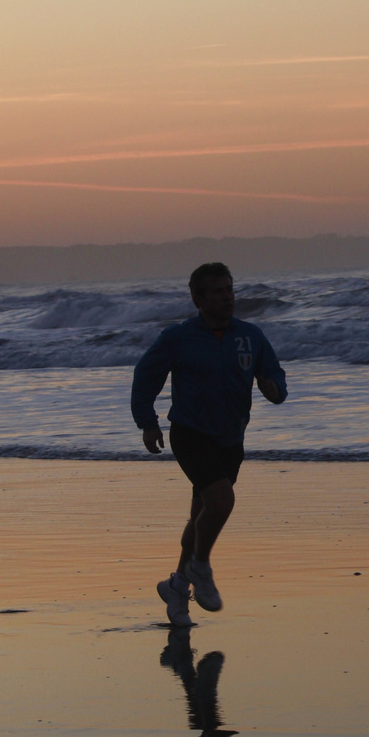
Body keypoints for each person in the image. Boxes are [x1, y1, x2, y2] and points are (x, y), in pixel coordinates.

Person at [131, 263, 287, 625]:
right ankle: (200, 567)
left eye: (230, 289)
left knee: (200, 516)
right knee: (221, 501)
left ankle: (177, 587)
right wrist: (147, 422)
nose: (227, 297)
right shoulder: (178, 337)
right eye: (217, 291)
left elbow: (274, 373)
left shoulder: (250, 336)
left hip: (230, 438)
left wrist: (275, 389)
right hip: (190, 433)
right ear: (198, 299)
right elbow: (146, 376)